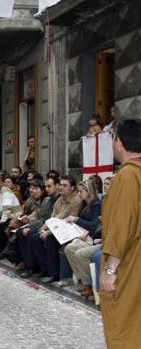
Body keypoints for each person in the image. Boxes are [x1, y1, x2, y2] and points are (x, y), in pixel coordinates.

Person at [99, 119, 141, 348]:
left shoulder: (127, 177)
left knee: (124, 321)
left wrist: (110, 270)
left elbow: (122, 226)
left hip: (131, 261)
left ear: (119, 143)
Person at [62, 180, 102, 299]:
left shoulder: (96, 205)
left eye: (81, 191)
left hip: (92, 238)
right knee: (68, 249)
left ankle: (89, 284)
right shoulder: (84, 204)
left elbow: (94, 225)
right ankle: (84, 281)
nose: (78, 194)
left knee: (79, 253)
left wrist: (76, 220)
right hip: (83, 235)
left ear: (89, 192)